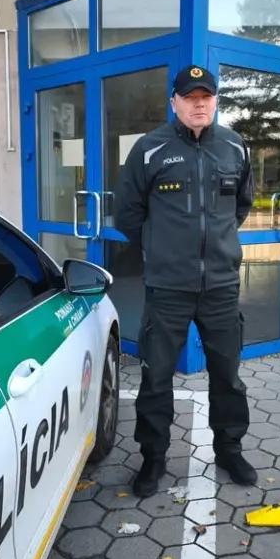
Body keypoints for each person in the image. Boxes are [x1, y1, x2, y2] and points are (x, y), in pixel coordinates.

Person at [115, 64, 257, 497]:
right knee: (156, 378)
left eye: (207, 97)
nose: (200, 103)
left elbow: (240, 207)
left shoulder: (235, 147)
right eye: (190, 97)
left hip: (219, 287)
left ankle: (229, 450)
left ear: (216, 101)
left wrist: (213, 250)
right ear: (173, 102)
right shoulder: (149, 150)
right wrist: (164, 249)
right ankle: (152, 460)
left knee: (227, 377)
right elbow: (127, 215)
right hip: (168, 289)